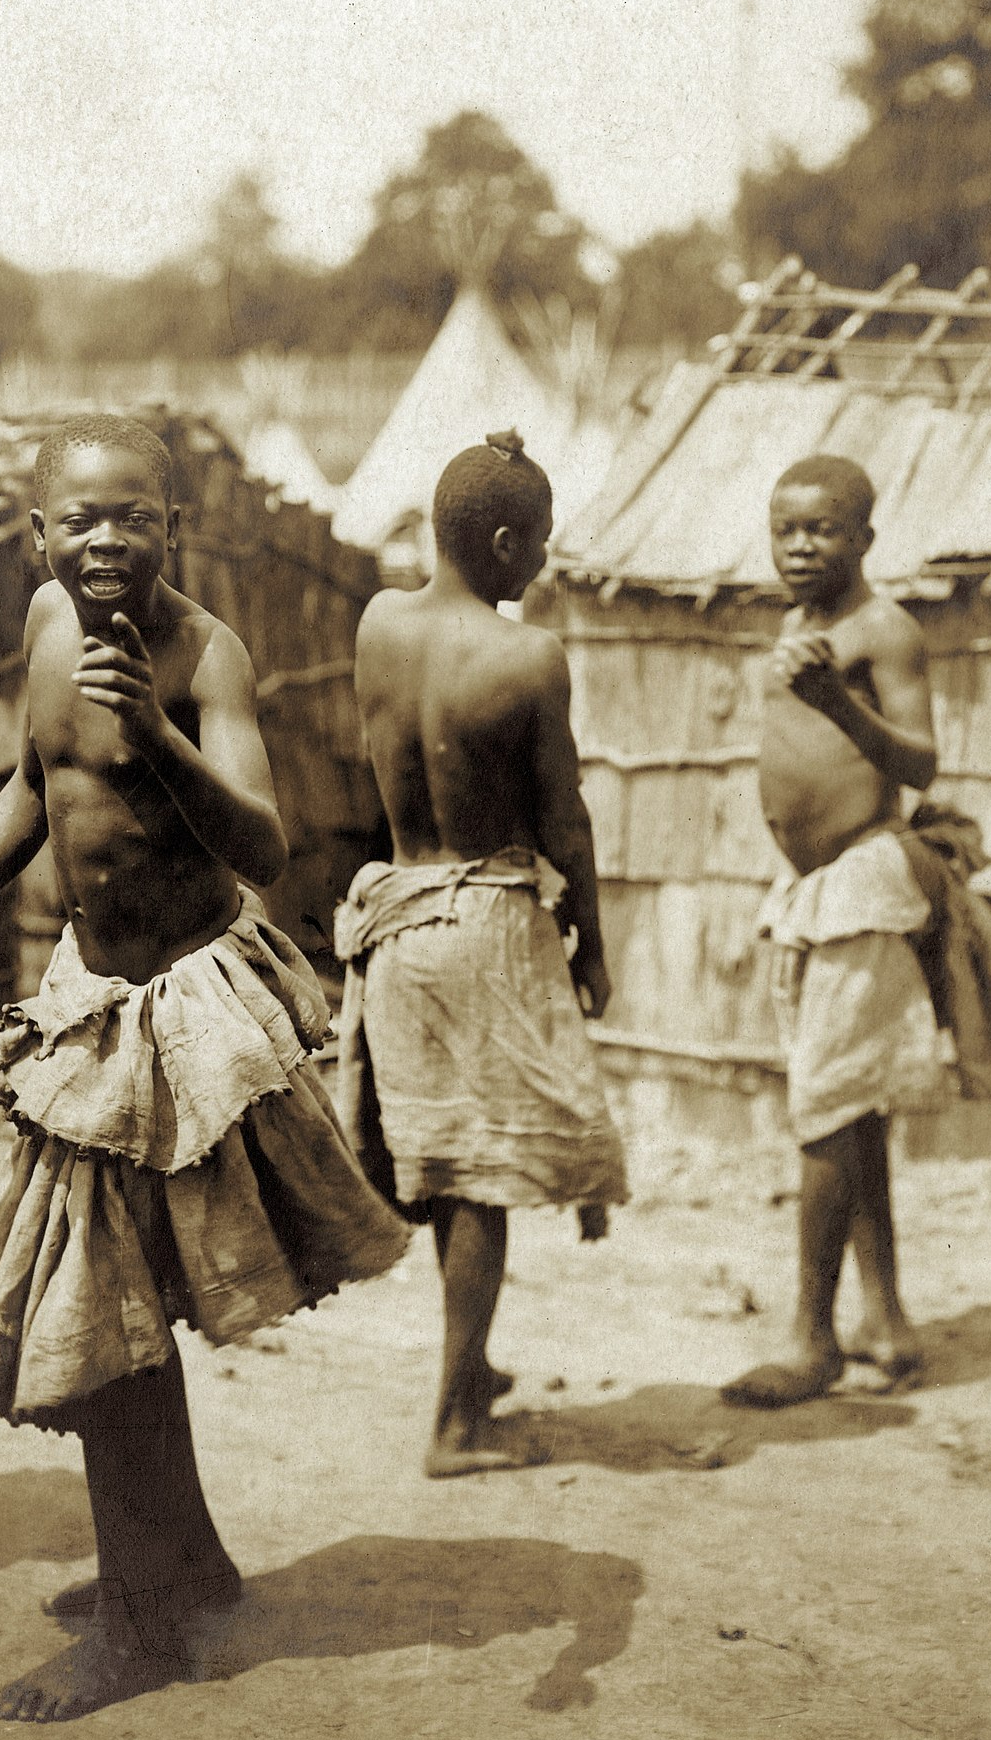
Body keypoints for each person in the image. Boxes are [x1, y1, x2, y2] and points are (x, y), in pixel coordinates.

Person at [0, 412, 411, 1723]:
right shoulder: (49, 622)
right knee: (124, 1298)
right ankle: (190, 1563)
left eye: (134, 516)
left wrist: (161, 735)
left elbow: (269, 844)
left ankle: (140, 1628)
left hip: (183, 1010)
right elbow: (33, 779)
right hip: (90, 997)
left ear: (173, 530)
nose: (106, 539)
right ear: (37, 534)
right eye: (81, 518)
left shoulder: (206, 655)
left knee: (107, 1318)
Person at [336, 430, 626, 1477]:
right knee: (482, 1179)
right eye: (538, 543)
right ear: (504, 542)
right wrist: (590, 935)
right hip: (486, 926)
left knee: (446, 1160)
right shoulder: (525, 655)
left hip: (401, 920)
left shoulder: (378, 623)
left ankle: (474, 1364)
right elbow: (565, 817)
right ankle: (456, 1421)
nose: (543, 562)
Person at [721, 457, 949, 1409]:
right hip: (810, 890)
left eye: (821, 530)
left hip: (862, 885)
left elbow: (923, 762)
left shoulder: (883, 631)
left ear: (863, 538)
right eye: (785, 531)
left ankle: (812, 1338)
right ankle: (886, 1319)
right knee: (847, 1109)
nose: (800, 546)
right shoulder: (793, 628)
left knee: (824, 1107)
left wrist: (838, 706)